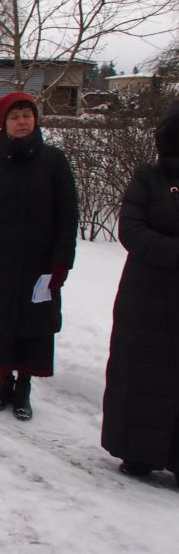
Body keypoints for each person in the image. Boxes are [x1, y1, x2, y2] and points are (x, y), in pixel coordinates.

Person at [0, 91, 78, 421]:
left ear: (36, 119)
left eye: (27, 115)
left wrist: (61, 261)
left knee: (33, 327)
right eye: (14, 117)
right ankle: (3, 384)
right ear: (3, 124)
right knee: (1, 326)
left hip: (39, 264)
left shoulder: (54, 161)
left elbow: (68, 215)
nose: (22, 121)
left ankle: (24, 388)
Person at [101, 100, 179, 482]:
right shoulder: (149, 178)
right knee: (141, 372)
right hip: (146, 293)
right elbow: (131, 229)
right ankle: (137, 451)